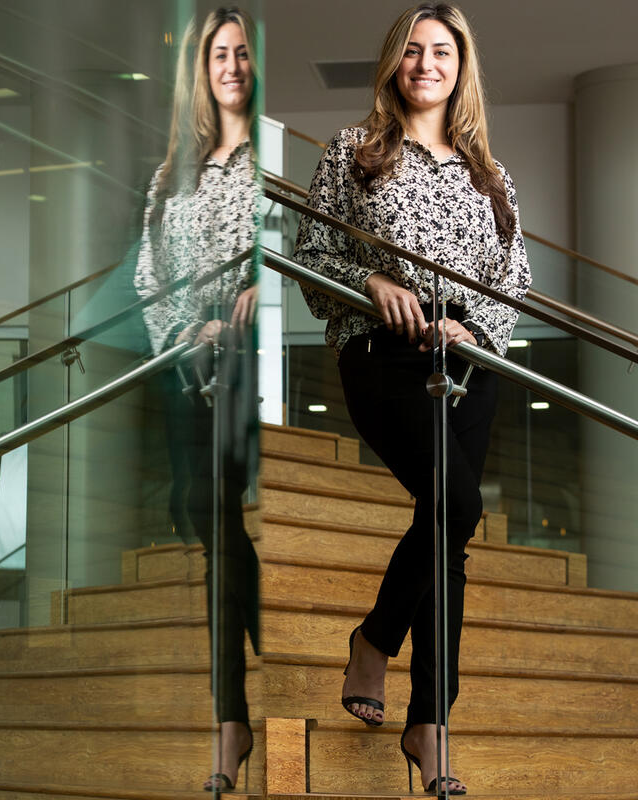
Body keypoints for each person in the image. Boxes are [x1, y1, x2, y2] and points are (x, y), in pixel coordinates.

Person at [294, 3, 531, 795]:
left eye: (443, 53)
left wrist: (476, 328)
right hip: (383, 351)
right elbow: (311, 251)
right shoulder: (353, 151)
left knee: (447, 532)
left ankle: (430, 724)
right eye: (413, 51)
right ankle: (375, 639)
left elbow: (514, 279)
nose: (427, 64)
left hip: (469, 359)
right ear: (393, 63)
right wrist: (369, 280)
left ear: (461, 69)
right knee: (456, 507)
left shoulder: (489, 174)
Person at [133, 6, 260, 794]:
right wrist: (186, 330)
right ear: (200, 68)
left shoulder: (269, 153)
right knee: (199, 511)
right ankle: (256, 652)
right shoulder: (171, 171)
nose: (232, 66)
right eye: (219, 53)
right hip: (188, 359)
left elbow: (294, 247)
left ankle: (231, 720)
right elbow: (149, 274)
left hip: (248, 361)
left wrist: (258, 291)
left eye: (243, 52)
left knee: (214, 509)